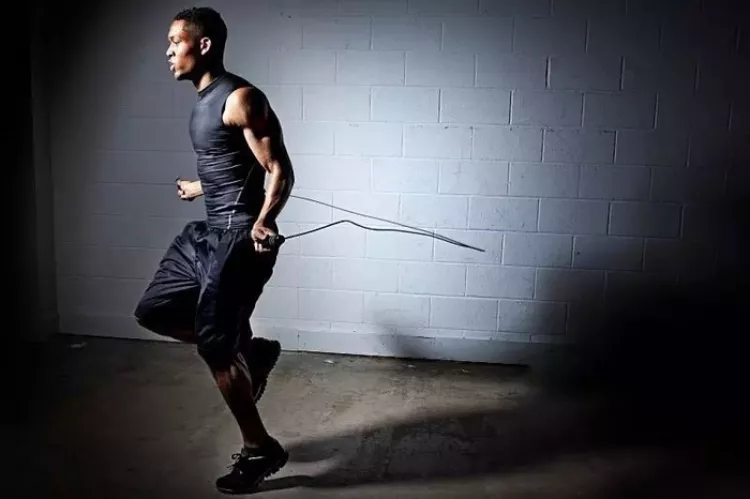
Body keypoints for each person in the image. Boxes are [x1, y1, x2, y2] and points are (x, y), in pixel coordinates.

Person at [133, 6, 295, 494]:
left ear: (202, 45)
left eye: (174, 41)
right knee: (153, 310)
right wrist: (201, 187)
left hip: (241, 238)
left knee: (213, 348)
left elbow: (278, 170)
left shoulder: (241, 98)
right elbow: (232, 162)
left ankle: (260, 448)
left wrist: (265, 221)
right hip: (208, 232)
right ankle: (252, 350)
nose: (167, 51)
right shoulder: (203, 102)